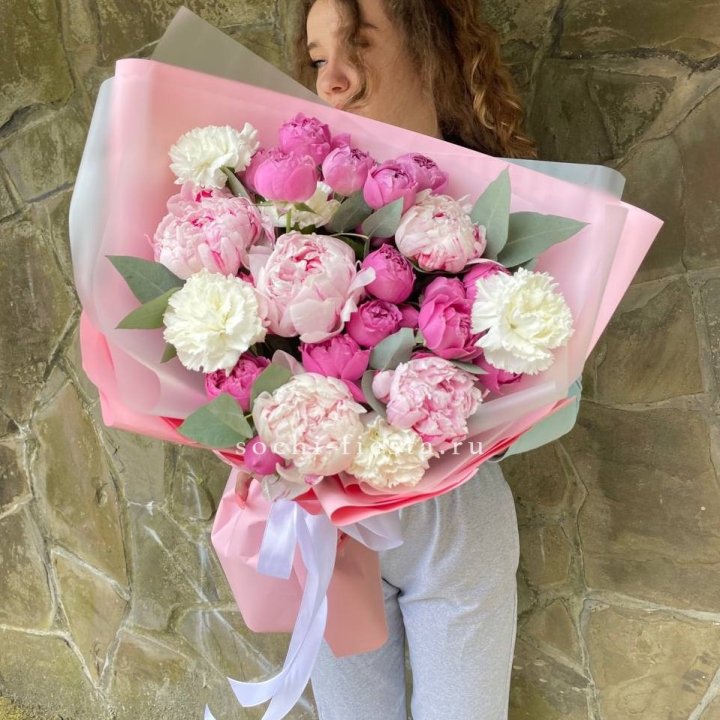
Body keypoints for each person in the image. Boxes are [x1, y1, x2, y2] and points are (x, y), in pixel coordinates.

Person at [291, 1, 540, 719]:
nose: (332, 79)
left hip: (454, 517)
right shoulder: (290, 210)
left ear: (433, 53)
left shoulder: (506, 212)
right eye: (317, 58)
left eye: (359, 44)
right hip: (330, 522)